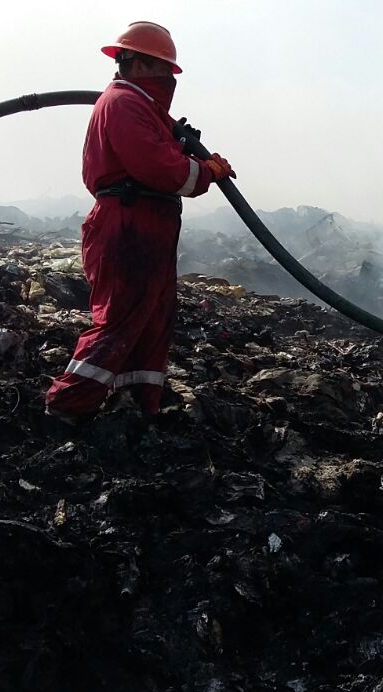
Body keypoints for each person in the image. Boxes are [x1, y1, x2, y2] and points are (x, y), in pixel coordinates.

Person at [45, 21, 236, 422]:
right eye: (163, 68)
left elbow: (163, 159)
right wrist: (206, 172)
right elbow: (160, 168)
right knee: (121, 317)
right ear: (139, 64)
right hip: (127, 224)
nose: (168, 78)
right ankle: (67, 404)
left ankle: (137, 404)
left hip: (147, 225)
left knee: (152, 319)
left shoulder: (144, 109)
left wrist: (198, 161)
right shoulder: (124, 103)